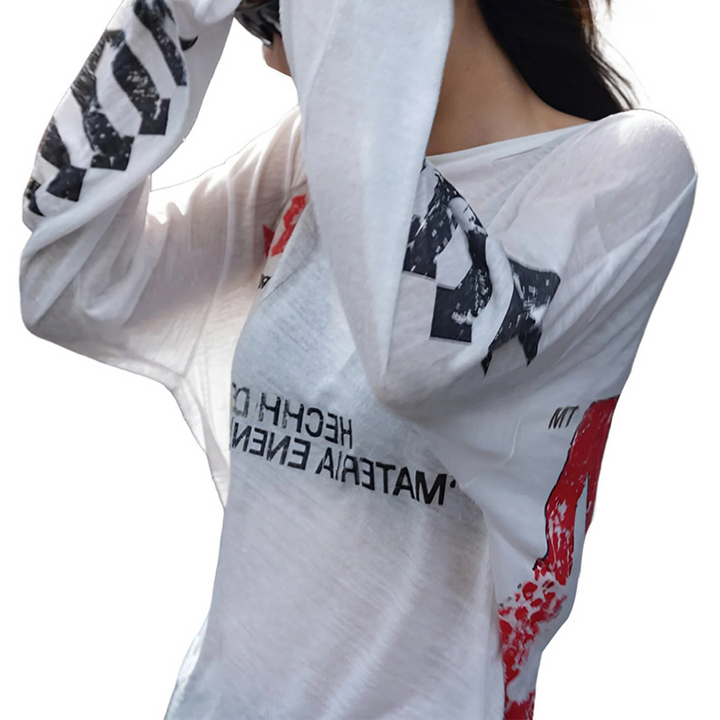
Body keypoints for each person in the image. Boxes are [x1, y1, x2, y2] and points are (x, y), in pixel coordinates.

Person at [19, 0, 697, 718]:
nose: (270, 30)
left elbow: (416, 362)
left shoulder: (629, 171)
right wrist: (174, 14)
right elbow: (70, 284)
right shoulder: (317, 156)